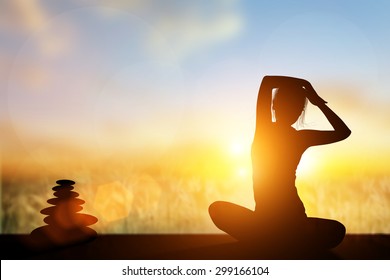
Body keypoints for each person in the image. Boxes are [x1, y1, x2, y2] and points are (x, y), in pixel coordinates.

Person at [209, 76, 351, 249]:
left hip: (276, 220)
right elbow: (343, 132)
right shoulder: (283, 134)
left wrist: (305, 86)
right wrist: (312, 95)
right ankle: (286, 240)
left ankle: (269, 239)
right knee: (217, 209)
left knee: (218, 209)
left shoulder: (280, 133)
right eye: (289, 105)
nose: (293, 111)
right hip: (281, 220)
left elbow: (344, 132)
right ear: (274, 106)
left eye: (297, 107)